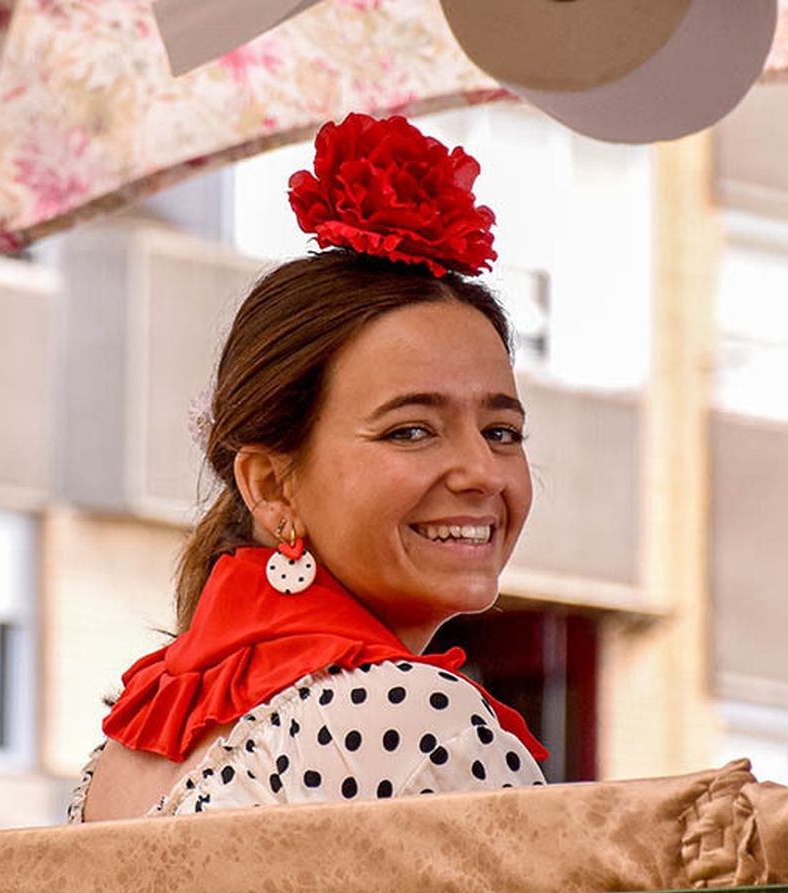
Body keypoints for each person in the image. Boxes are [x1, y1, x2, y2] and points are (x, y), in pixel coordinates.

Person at [72, 113, 549, 822]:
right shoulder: (413, 714)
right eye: (411, 431)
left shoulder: (135, 728)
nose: (481, 471)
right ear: (270, 485)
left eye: (501, 431)